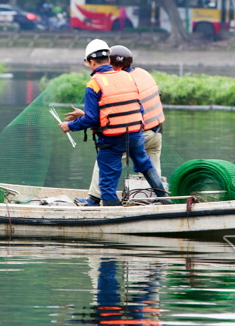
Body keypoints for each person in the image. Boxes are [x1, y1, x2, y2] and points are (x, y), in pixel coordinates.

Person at [59, 39, 169, 206]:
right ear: (108, 60)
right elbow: (134, 107)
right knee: (146, 165)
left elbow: (92, 119)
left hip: (113, 138)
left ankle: (104, 207)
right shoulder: (129, 77)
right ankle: (164, 201)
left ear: (92, 62)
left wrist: (70, 126)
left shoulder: (94, 83)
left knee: (107, 180)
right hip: (139, 134)